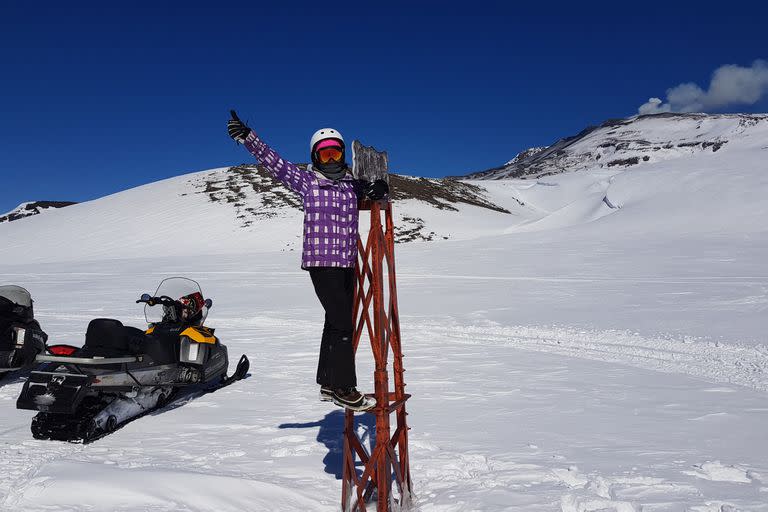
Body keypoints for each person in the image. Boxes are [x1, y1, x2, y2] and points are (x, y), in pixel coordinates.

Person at [227, 111, 387, 411]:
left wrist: (379, 189)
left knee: (334, 321)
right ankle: (344, 388)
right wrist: (248, 137)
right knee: (342, 324)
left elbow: (375, 191)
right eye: (323, 154)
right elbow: (273, 162)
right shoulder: (307, 182)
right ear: (315, 157)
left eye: (335, 153)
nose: (330, 159)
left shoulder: (352, 185)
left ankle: (328, 382)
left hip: (347, 263)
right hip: (322, 262)